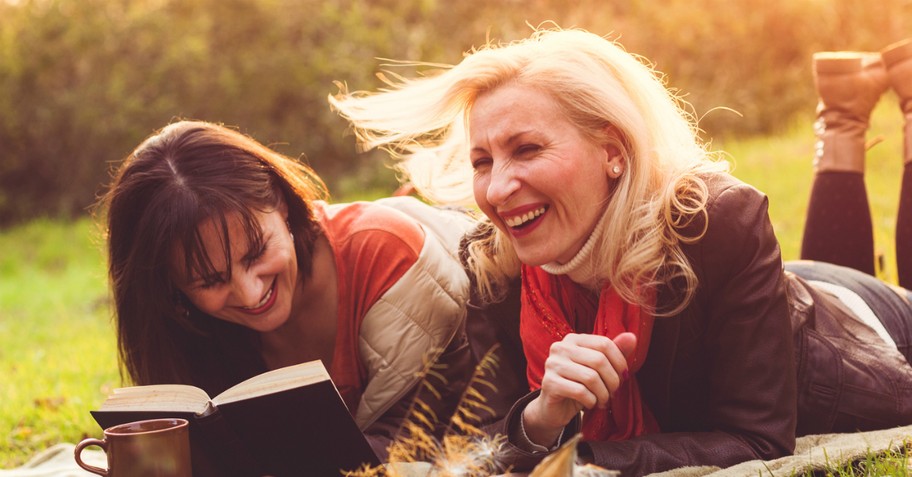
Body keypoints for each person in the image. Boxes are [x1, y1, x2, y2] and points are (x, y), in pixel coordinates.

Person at [329, 28, 912, 475]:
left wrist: (591, 462)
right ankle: (841, 113)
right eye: (483, 161)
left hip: (859, 331)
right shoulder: (494, 262)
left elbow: (757, 440)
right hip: (795, 288)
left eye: (526, 149)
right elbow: (489, 442)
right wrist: (542, 418)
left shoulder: (719, 222)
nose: (497, 188)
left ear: (613, 151)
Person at [97, 120, 480, 475]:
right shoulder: (181, 322)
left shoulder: (389, 258)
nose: (250, 293)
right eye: (210, 281)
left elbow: (424, 440)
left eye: (256, 253)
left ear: (280, 204)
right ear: (168, 287)